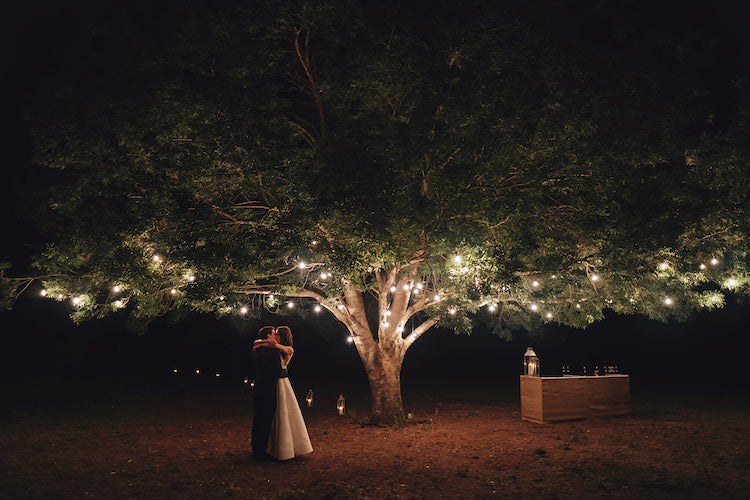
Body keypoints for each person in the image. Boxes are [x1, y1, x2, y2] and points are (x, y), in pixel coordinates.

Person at [253, 326, 313, 460]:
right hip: (275, 382)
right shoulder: (272, 347)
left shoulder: (287, 349)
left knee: (284, 411)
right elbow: (256, 343)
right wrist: (268, 343)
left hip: (283, 382)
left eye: (278, 334)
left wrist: (272, 344)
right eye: (275, 334)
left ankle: (286, 447)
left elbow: (282, 349)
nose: (276, 336)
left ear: (283, 337)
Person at [250, 325, 282, 460]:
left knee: (257, 420)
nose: (275, 335)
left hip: (257, 387)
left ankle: (256, 450)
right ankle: (261, 452)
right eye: (273, 333)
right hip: (269, 388)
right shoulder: (273, 352)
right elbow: (278, 371)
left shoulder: (256, 350)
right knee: (266, 420)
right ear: (268, 336)